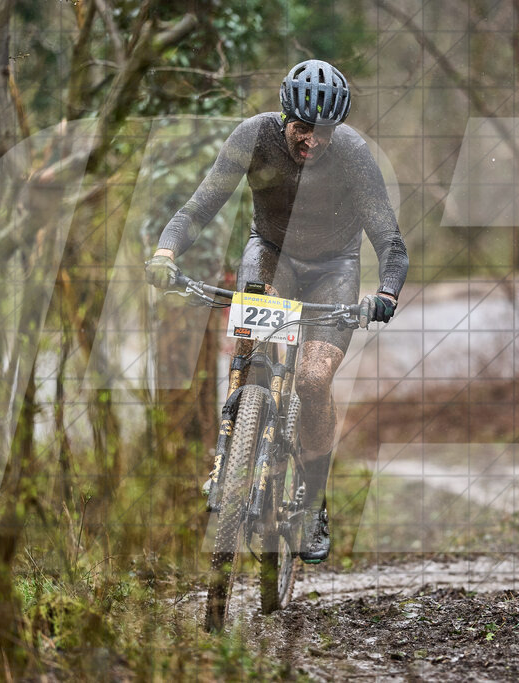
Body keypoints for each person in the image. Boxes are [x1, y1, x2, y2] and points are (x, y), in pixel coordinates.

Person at [145, 59, 408, 563]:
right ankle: (233, 449)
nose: (313, 140)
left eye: (324, 130)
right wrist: (165, 253)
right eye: (303, 127)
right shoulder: (254, 136)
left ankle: (312, 505)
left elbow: (390, 240)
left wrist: (387, 294)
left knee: (312, 379)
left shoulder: (352, 153)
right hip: (270, 254)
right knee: (250, 350)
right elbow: (199, 207)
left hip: (334, 267)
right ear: (285, 116)